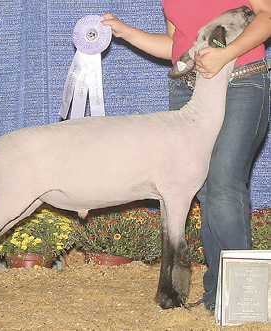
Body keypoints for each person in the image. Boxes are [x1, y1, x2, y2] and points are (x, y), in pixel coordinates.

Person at [102, 0, 271, 312]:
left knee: (223, 184)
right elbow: (175, 45)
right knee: (205, 189)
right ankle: (218, 295)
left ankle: (243, 300)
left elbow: (267, 16)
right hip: (189, 88)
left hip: (241, 81)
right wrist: (126, 32)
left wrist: (225, 54)